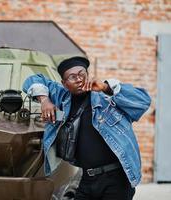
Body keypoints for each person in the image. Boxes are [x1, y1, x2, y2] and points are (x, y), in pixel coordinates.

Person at [22, 56, 151, 200]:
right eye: (72, 77)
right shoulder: (62, 97)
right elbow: (32, 80)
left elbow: (143, 101)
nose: (78, 79)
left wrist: (105, 87)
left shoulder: (106, 99)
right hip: (87, 178)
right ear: (64, 84)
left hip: (116, 179)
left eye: (82, 74)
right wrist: (44, 100)